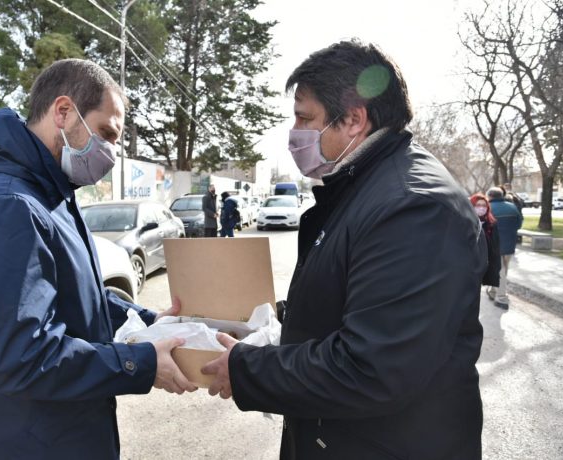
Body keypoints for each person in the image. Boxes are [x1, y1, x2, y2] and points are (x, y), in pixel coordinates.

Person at [202, 39, 487, 459]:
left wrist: (245, 369)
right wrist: (270, 322)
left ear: (353, 120)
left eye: (305, 118)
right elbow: (352, 300)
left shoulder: (412, 205)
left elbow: (372, 368)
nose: (294, 133)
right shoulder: (361, 189)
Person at [0, 59, 196, 460]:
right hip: (29, 444)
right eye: (106, 133)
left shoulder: (50, 193)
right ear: (63, 112)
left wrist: (146, 323)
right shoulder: (6, 206)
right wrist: (140, 363)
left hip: (66, 434)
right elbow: (18, 357)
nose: (111, 152)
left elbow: (76, 294)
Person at [486, 186, 523, 310]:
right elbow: (519, 224)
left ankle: (501, 297)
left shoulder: (488, 208)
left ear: (490, 196)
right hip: (510, 245)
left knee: (499, 271)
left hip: (495, 245)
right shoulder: (512, 206)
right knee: (503, 270)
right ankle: (493, 290)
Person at [470, 192, 501, 288]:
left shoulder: (491, 223)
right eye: (478, 205)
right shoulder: (466, 223)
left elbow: (495, 248)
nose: (481, 208)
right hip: (469, 264)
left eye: (484, 205)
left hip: (484, 264)